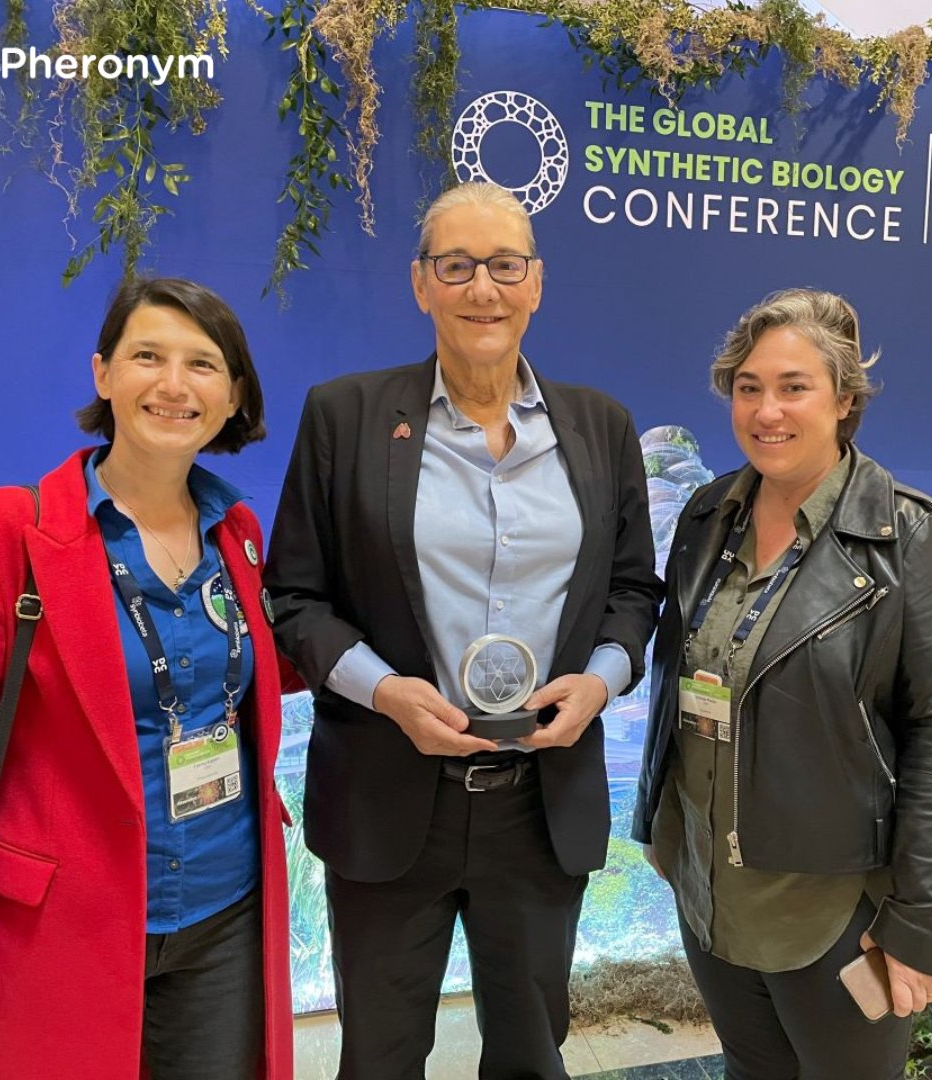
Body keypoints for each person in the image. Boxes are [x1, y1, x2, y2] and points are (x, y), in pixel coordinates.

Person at [264, 180, 663, 1080]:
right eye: (458, 265)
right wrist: (385, 691)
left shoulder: (600, 426)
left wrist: (601, 681)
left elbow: (635, 592)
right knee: (381, 1056)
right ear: (421, 284)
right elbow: (294, 599)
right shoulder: (347, 416)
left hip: (541, 798)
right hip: (386, 789)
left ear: (537, 283)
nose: (483, 288)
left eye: (504, 265)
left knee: (530, 1052)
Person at [0, 278, 293, 1079]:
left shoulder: (238, 534)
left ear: (233, 396)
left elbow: (252, 682)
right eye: (148, 356)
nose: (174, 385)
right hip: (57, 928)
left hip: (228, 914)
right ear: (103, 373)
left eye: (203, 365)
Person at [633, 288, 932, 1079]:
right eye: (748, 387)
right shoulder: (706, 513)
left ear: (845, 400)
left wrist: (920, 928)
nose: (766, 411)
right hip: (711, 892)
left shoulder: (909, 535)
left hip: (834, 910)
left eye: (794, 387)